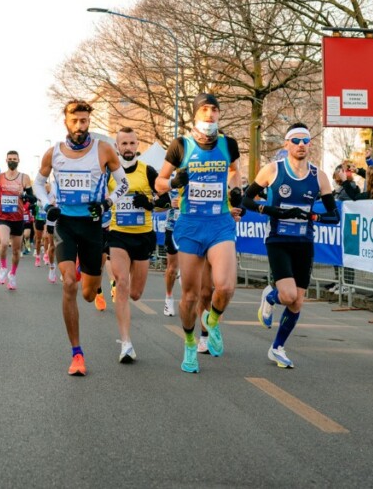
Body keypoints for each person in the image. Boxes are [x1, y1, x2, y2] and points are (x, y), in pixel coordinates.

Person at [33, 100, 128, 376]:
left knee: (88, 293)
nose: (79, 126)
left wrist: (108, 203)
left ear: (89, 122)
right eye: (74, 121)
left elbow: (124, 183)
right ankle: (76, 353)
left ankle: (90, 281)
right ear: (66, 121)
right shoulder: (54, 154)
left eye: (84, 121)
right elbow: (38, 184)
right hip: (65, 223)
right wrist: (46, 204)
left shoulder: (104, 150)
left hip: (92, 225)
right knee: (70, 285)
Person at [155, 93, 243, 374]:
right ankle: (190, 342)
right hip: (191, 224)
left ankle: (212, 322)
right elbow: (158, 183)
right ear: (195, 115)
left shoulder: (229, 144)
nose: (210, 115)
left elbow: (234, 171)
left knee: (225, 286)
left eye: (214, 110)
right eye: (204, 110)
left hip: (220, 223)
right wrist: (172, 181)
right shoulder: (181, 145)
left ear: (219, 115)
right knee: (190, 296)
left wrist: (236, 188)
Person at [244, 123, 339, 369]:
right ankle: (271, 295)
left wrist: (312, 217)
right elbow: (246, 199)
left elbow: (334, 215)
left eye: (305, 141)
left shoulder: (319, 176)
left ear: (310, 145)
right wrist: (273, 210)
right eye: (295, 141)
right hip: (278, 240)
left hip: (304, 242)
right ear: (286, 144)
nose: (300, 145)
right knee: (287, 296)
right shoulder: (273, 170)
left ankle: (277, 348)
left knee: (297, 302)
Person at [107, 127, 160, 363]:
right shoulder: (109, 173)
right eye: (123, 144)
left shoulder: (148, 171)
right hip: (118, 235)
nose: (128, 148)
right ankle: (126, 343)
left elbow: (167, 202)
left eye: (132, 143)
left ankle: (119, 284)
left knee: (136, 294)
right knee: (122, 284)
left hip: (143, 236)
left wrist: (149, 203)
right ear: (117, 147)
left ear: (138, 146)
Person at [0, 150, 36, 290]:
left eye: (14, 159)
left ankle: (13, 275)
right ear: (6, 160)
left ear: (18, 160)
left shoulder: (24, 178)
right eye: (10, 159)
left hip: (18, 217)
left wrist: (26, 198)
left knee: (16, 251)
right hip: (3, 216)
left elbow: (32, 198)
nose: (12, 161)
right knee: (3, 242)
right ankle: (3, 268)